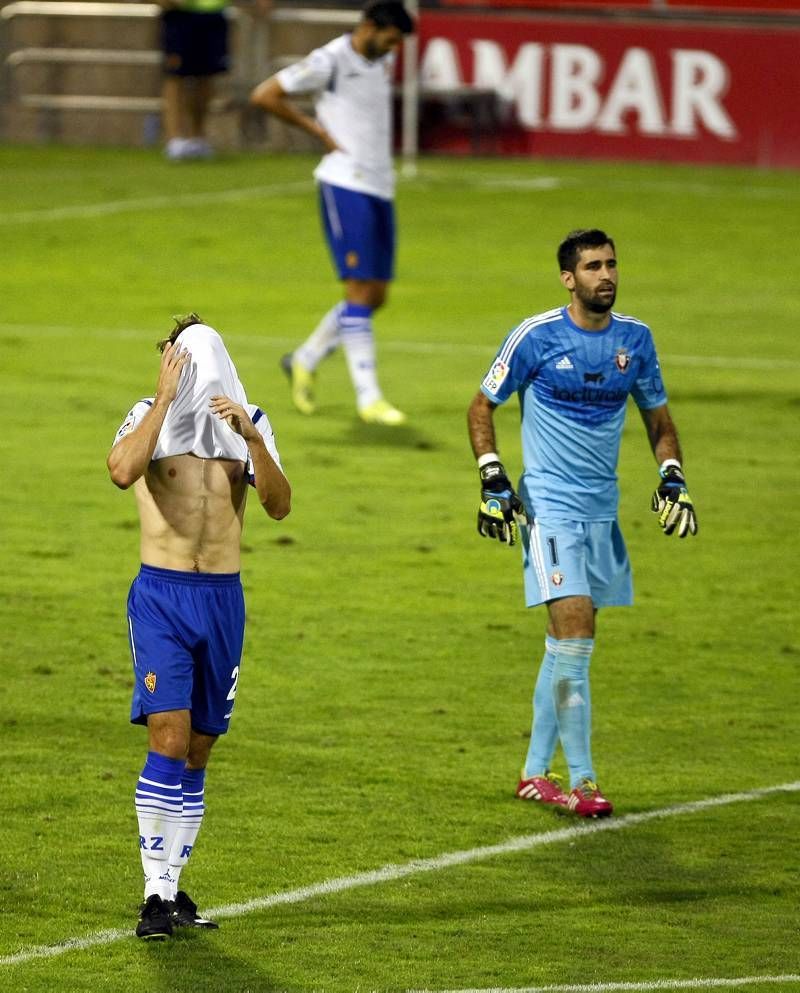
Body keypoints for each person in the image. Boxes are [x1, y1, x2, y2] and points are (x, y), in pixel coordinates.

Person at [467, 230, 697, 819]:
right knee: (575, 636)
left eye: (612, 264)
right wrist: (493, 477)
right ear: (568, 278)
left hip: (602, 512)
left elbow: (659, 420)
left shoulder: (635, 340)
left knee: (568, 645)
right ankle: (584, 781)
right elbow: (481, 406)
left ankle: (532, 773)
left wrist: (672, 475)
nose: (606, 275)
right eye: (593, 266)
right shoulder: (536, 337)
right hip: (547, 507)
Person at [107, 314, 291, 939]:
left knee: (200, 746)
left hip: (222, 600)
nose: (187, 367)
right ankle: (154, 894)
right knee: (168, 735)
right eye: (175, 357)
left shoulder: (249, 421)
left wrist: (253, 441)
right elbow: (121, 470)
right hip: (162, 596)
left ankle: (174, 887)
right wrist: (163, 399)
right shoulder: (145, 416)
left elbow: (279, 504)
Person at [250, 0, 415, 425]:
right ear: (370, 26)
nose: (394, 49)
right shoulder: (330, 60)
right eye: (391, 39)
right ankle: (369, 397)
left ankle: (304, 358)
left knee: (375, 296)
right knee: (359, 289)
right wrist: (317, 130)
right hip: (345, 184)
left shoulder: (379, 62)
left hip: (380, 186)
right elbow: (265, 94)